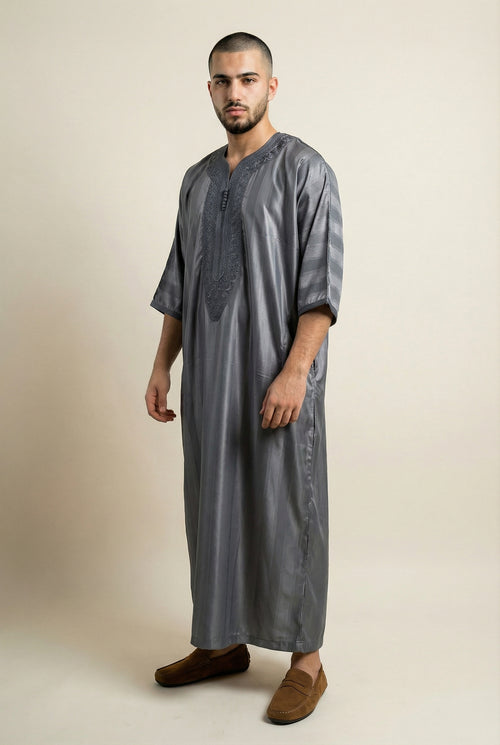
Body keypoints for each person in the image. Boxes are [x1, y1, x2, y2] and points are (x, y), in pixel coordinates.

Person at [145, 31, 343, 725]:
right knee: (212, 504)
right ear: (210, 89)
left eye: (248, 79)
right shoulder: (197, 180)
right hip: (207, 379)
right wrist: (162, 365)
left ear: (271, 87)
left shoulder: (305, 170)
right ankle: (221, 641)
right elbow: (180, 282)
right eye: (224, 81)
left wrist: (295, 372)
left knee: (288, 507)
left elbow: (320, 287)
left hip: (274, 378)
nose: (236, 92)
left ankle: (306, 664)